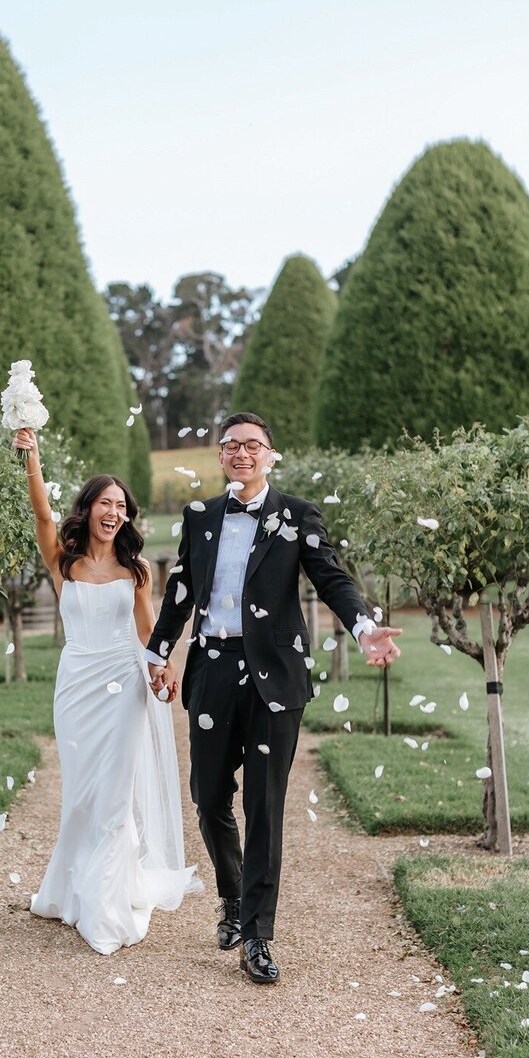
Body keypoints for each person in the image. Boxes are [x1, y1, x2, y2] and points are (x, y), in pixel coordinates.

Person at [146, 412, 402, 984]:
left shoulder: (298, 514)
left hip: (275, 681)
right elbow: (181, 588)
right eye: (232, 445)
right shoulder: (200, 517)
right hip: (211, 669)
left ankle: (258, 936)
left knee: (264, 805)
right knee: (208, 796)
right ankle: (232, 898)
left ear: (270, 455)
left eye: (253, 445)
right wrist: (157, 652)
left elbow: (330, 578)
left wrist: (364, 629)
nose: (242, 453)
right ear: (220, 455)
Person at [13, 427, 202, 956]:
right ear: (89, 508)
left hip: (124, 686)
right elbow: (43, 517)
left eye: (121, 505)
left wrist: (162, 671)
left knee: (115, 795)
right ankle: (72, 889)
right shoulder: (64, 562)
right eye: (105, 502)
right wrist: (32, 458)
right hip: (76, 686)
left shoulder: (136, 570)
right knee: (81, 791)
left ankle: (108, 902)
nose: (114, 512)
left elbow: (148, 635)